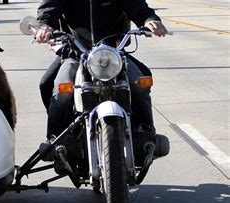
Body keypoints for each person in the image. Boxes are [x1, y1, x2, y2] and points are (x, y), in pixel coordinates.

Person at [35, 0, 168, 139]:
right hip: (75, 54)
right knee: (54, 88)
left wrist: (150, 20)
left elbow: (137, 6)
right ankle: (56, 139)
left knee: (139, 83)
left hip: (113, 54)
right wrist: (45, 26)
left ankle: (145, 134)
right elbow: (49, 8)